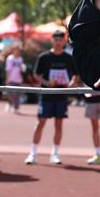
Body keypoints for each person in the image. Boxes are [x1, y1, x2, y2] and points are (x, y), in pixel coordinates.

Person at [24, 30, 78, 165]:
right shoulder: (44, 57)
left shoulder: (68, 57)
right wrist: (48, 83)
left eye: (61, 40)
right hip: (46, 95)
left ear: (64, 41)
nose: (58, 42)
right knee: (40, 123)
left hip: (61, 96)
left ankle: (55, 153)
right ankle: (33, 153)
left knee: (58, 124)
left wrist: (71, 83)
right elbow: (36, 75)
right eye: (56, 40)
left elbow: (76, 75)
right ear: (52, 41)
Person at [5, 45, 24, 114]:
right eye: (16, 50)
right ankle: (9, 104)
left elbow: (21, 70)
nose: (17, 51)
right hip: (11, 79)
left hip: (18, 80)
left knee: (17, 94)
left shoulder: (20, 59)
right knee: (11, 94)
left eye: (18, 50)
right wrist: (7, 79)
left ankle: (16, 108)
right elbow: (8, 69)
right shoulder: (10, 58)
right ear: (13, 50)